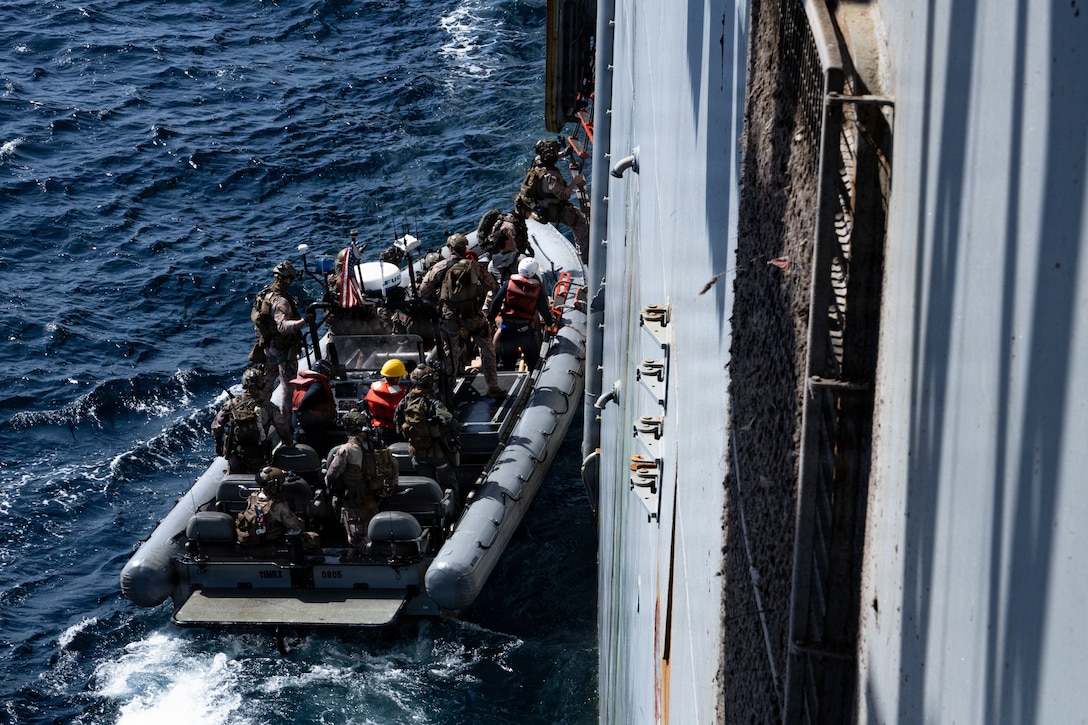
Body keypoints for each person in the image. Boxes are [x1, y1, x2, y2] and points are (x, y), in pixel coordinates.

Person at [418, 233, 504, 398]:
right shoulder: (475, 266)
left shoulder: (439, 267)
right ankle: (493, 387)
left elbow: (423, 291)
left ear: (450, 249)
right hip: (473, 315)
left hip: (449, 316)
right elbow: (493, 286)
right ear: (465, 248)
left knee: (450, 352)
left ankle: (449, 389)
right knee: (486, 348)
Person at [251, 260, 316, 416]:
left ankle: (259, 416)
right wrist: (304, 321)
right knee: (288, 390)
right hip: (283, 350)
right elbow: (283, 327)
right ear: (287, 279)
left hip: (268, 347)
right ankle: (286, 424)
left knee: (266, 384)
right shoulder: (282, 301)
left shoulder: (264, 294)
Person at [325, 411, 398, 547]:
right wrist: (391, 485)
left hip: (354, 500)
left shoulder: (347, 449)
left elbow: (331, 476)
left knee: (356, 536)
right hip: (374, 497)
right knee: (372, 528)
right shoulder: (378, 445)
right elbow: (394, 465)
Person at [519, 138, 589, 264]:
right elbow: (563, 195)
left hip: (542, 205)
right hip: (552, 210)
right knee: (579, 223)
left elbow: (546, 158)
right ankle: (585, 258)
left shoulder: (538, 163)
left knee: (577, 214)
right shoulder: (550, 177)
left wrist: (563, 154)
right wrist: (575, 181)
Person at [212, 368, 293, 474]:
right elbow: (281, 426)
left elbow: (217, 426)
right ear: (261, 383)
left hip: (236, 455)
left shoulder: (231, 404)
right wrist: (289, 443)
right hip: (258, 454)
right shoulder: (267, 406)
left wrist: (219, 444)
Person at [393, 366, 461, 492]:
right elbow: (451, 422)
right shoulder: (432, 402)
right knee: (449, 486)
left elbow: (398, 427)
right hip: (438, 453)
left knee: (429, 488)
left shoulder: (405, 401)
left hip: (418, 454)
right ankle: (455, 509)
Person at [487, 257, 557, 371]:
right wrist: (550, 322)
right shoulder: (536, 290)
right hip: (525, 330)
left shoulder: (508, 284)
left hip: (507, 328)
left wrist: (490, 317)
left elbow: (496, 302)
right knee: (533, 361)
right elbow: (543, 309)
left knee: (508, 362)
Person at [235, 466, 318, 549]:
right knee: (314, 537)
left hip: (251, 539)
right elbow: (296, 527)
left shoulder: (252, 496)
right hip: (273, 542)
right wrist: (301, 521)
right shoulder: (279, 505)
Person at [289, 359, 338, 455]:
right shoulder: (318, 385)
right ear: (324, 372)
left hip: (299, 423)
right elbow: (305, 400)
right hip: (313, 426)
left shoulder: (305, 383)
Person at [364, 358, 408, 445]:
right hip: (395, 432)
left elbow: (365, 407)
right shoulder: (403, 394)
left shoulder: (372, 390)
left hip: (377, 429)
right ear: (397, 378)